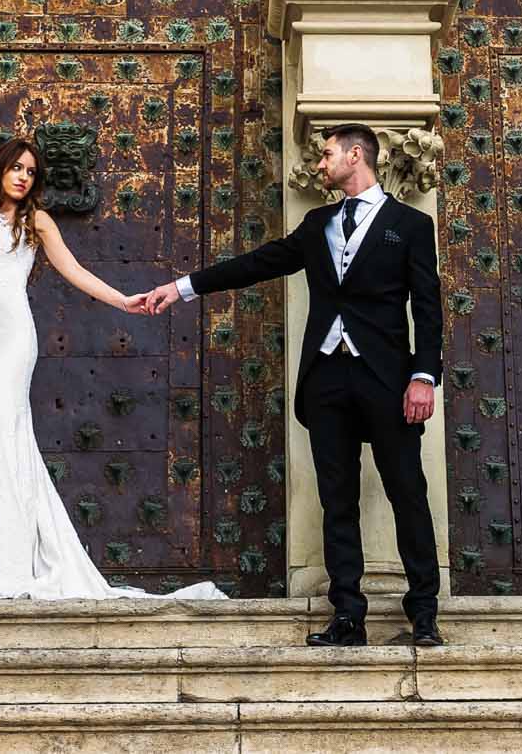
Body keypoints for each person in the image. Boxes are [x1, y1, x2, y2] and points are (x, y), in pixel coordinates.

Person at [143, 124, 444, 646]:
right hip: (327, 378)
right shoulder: (317, 223)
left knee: (407, 493)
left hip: (387, 380)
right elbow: (260, 263)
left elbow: (428, 308)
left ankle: (423, 614)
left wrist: (423, 376)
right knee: (338, 500)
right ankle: (348, 616)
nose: (320, 163)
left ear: (356, 156)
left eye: (327, 154)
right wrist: (183, 287)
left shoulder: (410, 225)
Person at [0, 137, 223, 601]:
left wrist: (124, 301)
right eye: (16, 168)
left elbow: (74, 270)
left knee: (3, 431)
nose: (23, 177)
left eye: (31, 172)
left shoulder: (35, 221)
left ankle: (10, 564)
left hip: (12, 340)